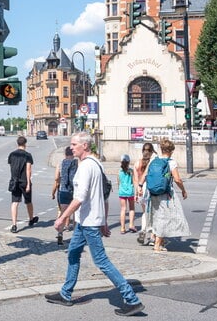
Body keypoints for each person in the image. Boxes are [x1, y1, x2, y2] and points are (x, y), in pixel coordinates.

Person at [45, 132, 144, 316]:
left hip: (89, 222)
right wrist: (104, 221)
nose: (71, 147)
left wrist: (62, 218)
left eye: (74, 144)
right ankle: (65, 293)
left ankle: (132, 299)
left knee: (102, 261)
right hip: (87, 221)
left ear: (85, 146)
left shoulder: (86, 167)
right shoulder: (97, 163)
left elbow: (80, 198)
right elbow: (102, 194)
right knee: (73, 254)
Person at [149, 139, 190, 252]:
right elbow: (177, 179)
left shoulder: (154, 160)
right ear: (171, 151)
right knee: (165, 218)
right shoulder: (171, 162)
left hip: (153, 193)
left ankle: (159, 241)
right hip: (166, 194)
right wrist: (183, 190)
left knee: (158, 216)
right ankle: (157, 244)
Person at [7, 135, 37, 233]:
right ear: (25, 144)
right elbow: (28, 170)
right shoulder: (27, 155)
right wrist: (28, 183)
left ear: (17, 143)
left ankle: (14, 225)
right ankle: (31, 219)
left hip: (14, 181)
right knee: (28, 201)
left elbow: (12, 167)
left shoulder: (12, 154)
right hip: (24, 181)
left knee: (15, 202)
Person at [51, 146, 77, 244]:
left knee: (63, 213)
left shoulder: (61, 163)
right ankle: (75, 235)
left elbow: (56, 177)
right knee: (75, 214)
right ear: (73, 153)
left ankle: (60, 234)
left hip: (63, 190)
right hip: (74, 191)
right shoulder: (76, 163)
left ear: (65, 154)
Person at [134, 142, 156, 245]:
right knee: (153, 214)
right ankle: (152, 237)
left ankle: (143, 230)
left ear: (143, 151)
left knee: (144, 212)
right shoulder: (153, 163)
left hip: (141, 190)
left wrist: (136, 193)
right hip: (150, 190)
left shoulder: (137, 163)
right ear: (151, 152)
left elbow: (135, 179)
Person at [118, 154, 137, 234]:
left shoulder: (119, 171)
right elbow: (134, 181)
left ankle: (122, 228)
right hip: (130, 192)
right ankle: (131, 225)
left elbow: (119, 182)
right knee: (131, 208)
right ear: (129, 162)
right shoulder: (131, 171)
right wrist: (136, 193)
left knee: (123, 209)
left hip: (122, 192)